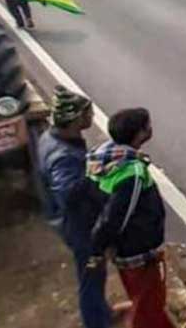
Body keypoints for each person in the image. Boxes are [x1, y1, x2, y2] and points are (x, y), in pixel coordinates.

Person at [37, 86, 117, 328]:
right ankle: (96, 322)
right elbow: (69, 194)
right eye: (87, 114)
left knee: (94, 275)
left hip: (72, 222)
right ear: (74, 120)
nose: (92, 118)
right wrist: (98, 176)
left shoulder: (52, 138)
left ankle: (102, 314)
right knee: (91, 277)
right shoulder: (63, 157)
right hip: (80, 228)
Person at [87, 108, 172, 328]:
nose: (151, 129)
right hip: (138, 250)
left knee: (146, 301)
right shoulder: (131, 172)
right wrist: (98, 248)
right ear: (138, 134)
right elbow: (116, 217)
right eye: (147, 126)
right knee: (148, 306)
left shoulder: (104, 158)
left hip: (123, 250)